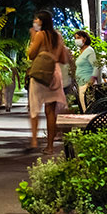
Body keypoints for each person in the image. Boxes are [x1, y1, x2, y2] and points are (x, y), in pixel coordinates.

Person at [27, 11, 69, 154]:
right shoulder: (58, 37)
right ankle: (50, 146)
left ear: (41, 22)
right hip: (54, 73)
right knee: (50, 111)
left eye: (37, 20)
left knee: (34, 107)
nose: (35, 22)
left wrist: (33, 38)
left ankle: (34, 140)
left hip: (41, 72)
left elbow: (31, 55)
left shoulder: (40, 35)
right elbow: (63, 59)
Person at [73, 30, 100, 112]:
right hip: (81, 83)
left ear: (84, 39)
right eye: (75, 38)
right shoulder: (82, 52)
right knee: (84, 108)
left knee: (88, 108)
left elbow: (96, 66)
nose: (76, 40)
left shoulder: (89, 51)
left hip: (87, 84)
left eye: (78, 38)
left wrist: (92, 80)